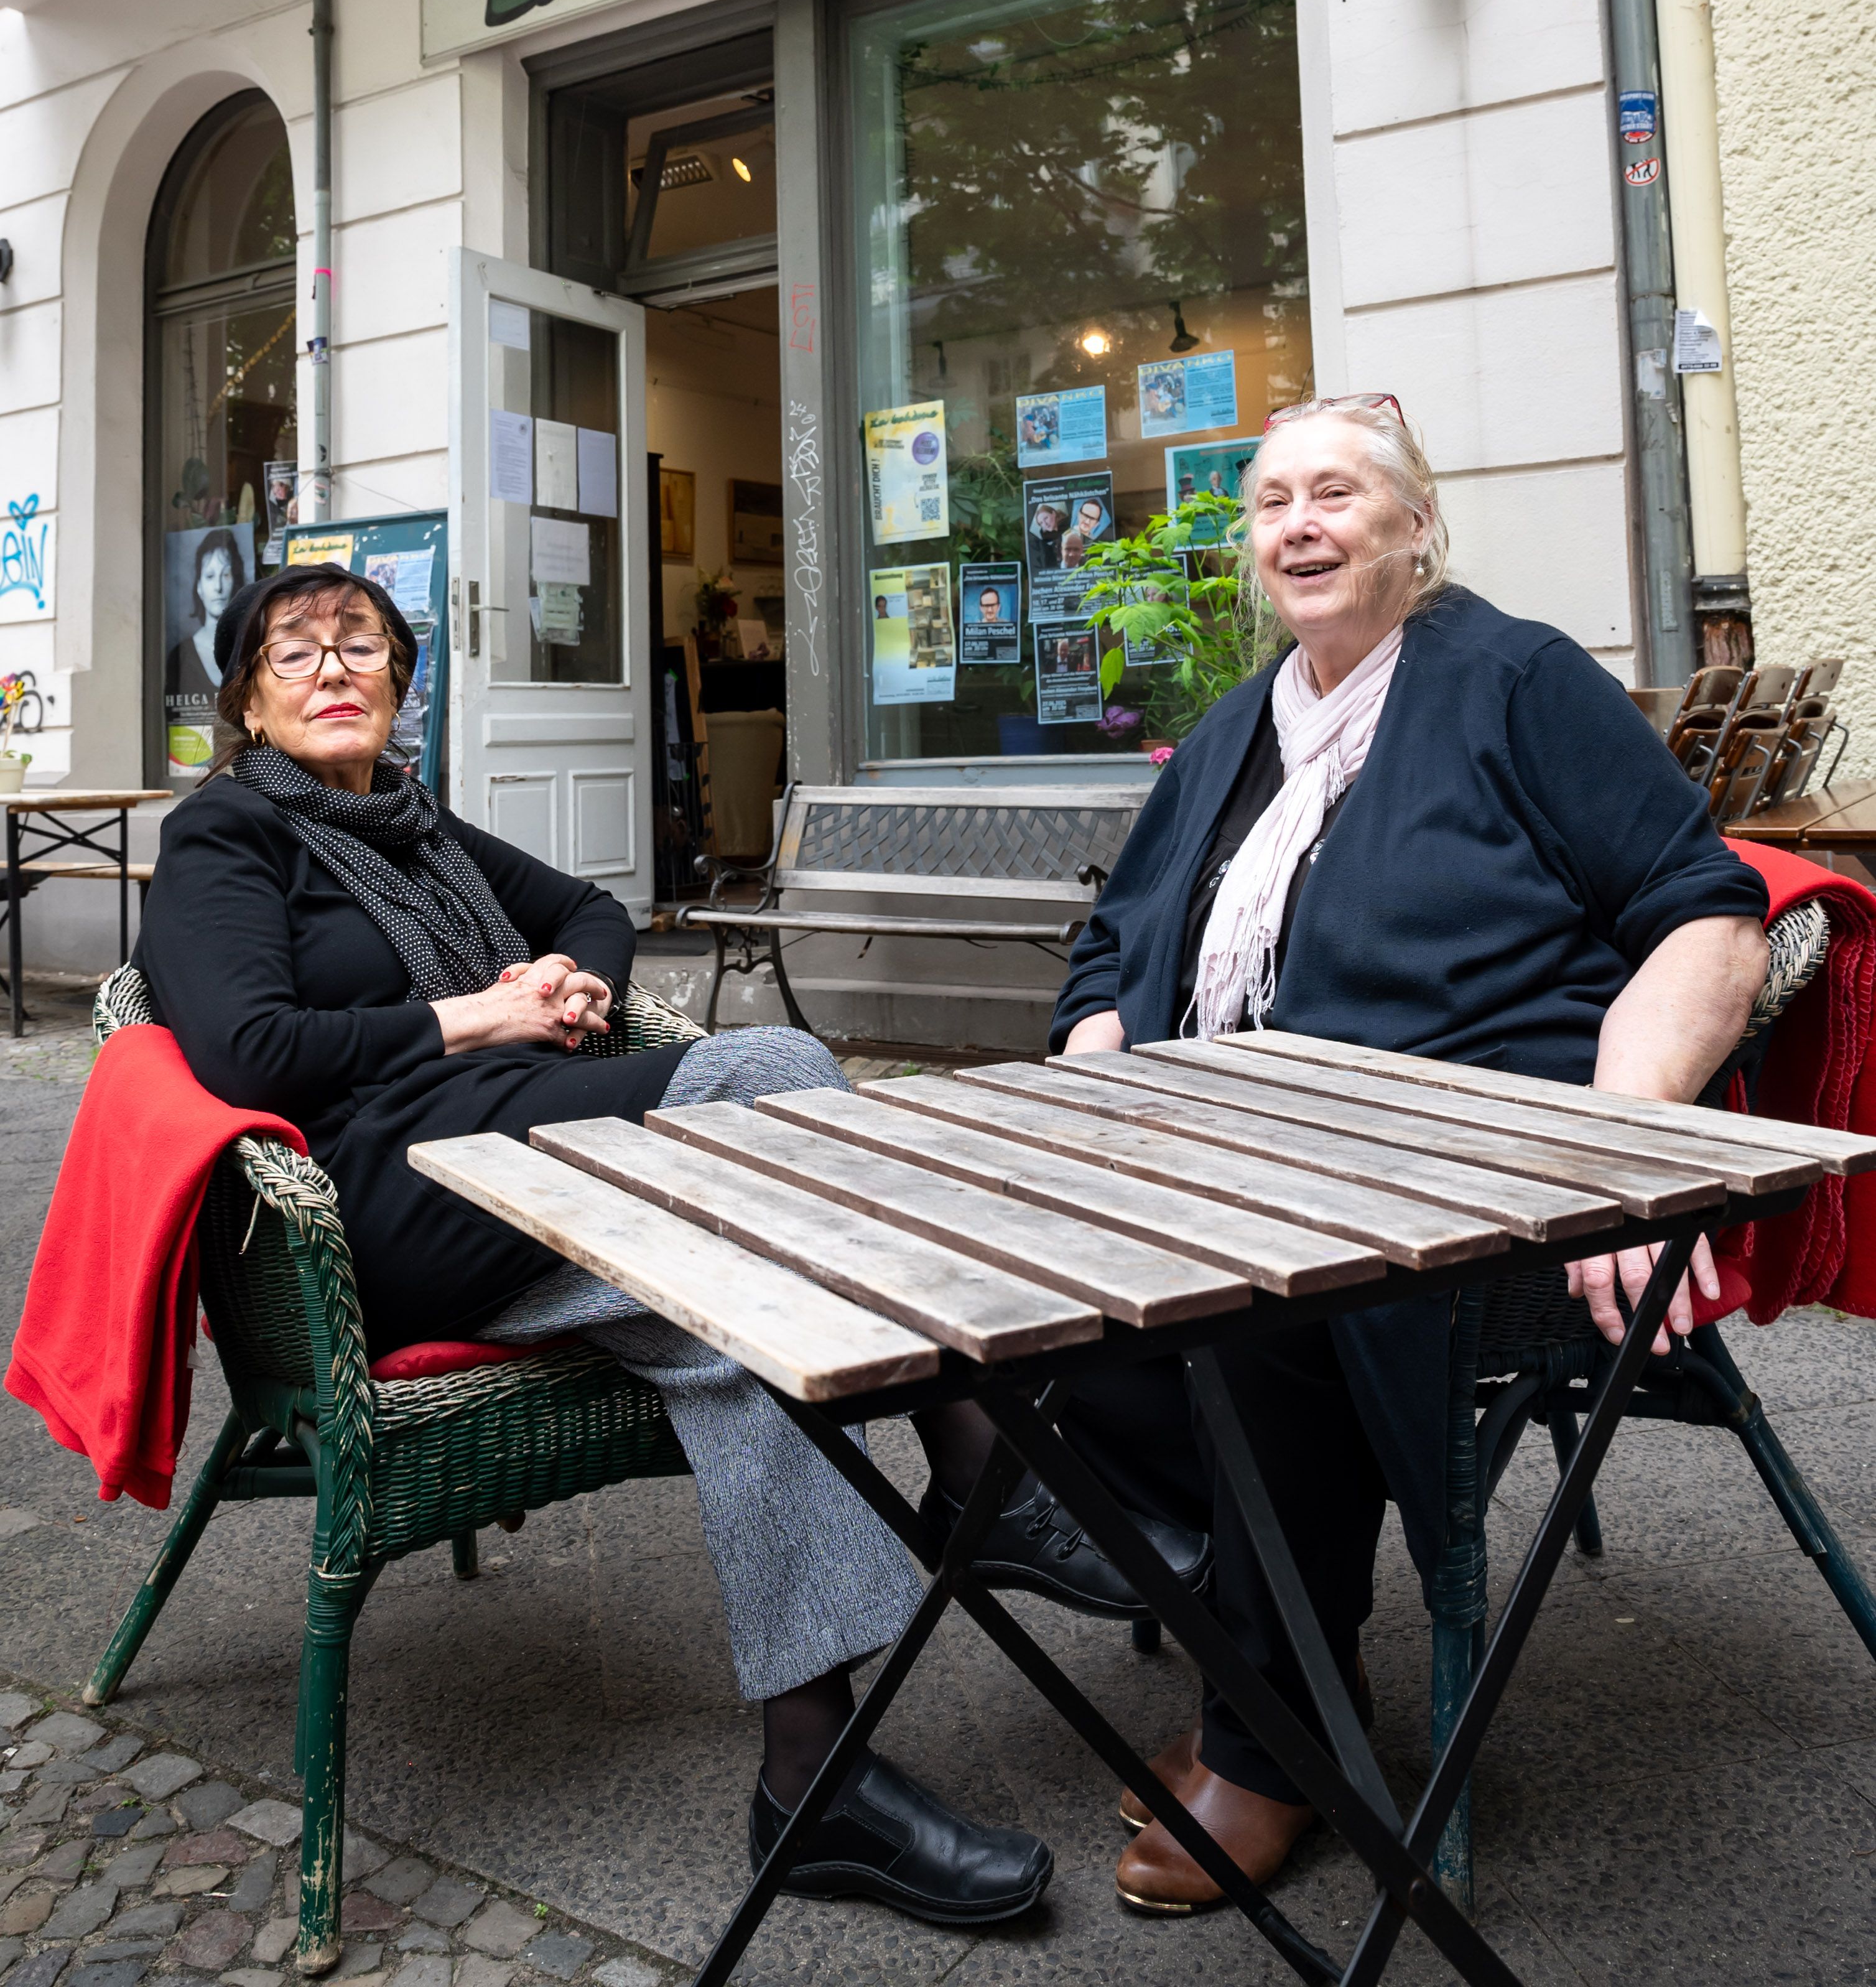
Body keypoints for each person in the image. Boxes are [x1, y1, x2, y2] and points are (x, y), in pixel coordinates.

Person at [136, 563, 1205, 1927]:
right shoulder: (227, 832)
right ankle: (979, 1461)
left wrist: (571, 979)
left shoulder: (418, 823)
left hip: (530, 1161)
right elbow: (247, 1049)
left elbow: (588, 907)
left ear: (402, 681)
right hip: (387, 1202)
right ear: (248, 700)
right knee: (770, 1063)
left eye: (362, 642)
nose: (335, 665)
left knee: (746, 1327)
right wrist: (484, 1014)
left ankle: (813, 1782)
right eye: (295, 651)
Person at [1047, 394, 1769, 1912]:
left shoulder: (1510, 679)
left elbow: (1703, 917)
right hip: (1218, 1139)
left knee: (1247, 1300)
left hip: (1451, 1166)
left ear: (1414, 525)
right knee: (1006, 1300)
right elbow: (1117, 933)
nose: (1297, 523)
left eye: (1335, 492)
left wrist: (1620, 1143)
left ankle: (1272, 1734)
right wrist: (1098, 1039)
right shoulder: (1239, 725)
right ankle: (1263, 1647)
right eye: (1270, 501)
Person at [164, 528, 243, 704]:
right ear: (199, 586)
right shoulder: (180, 658)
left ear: (235, 582)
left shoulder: (251, 650)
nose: (218, 587)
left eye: (226, 575)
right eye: (210, 576)